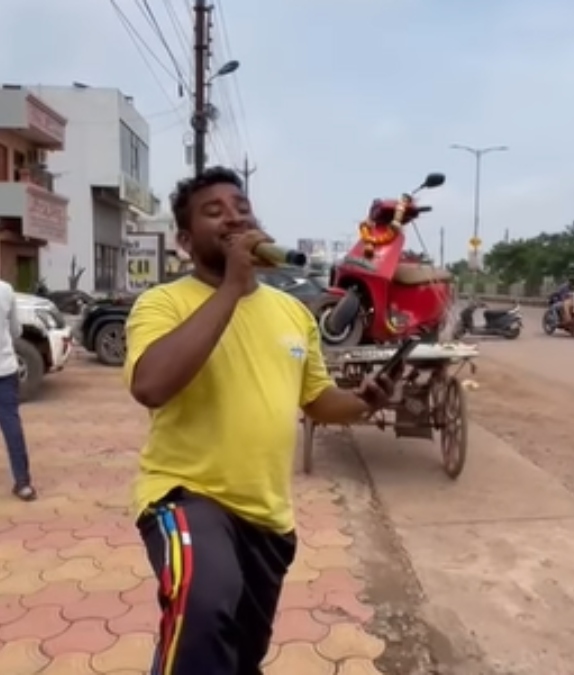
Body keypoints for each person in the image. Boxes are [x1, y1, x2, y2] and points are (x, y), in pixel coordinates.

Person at [125, 167, 394, 675]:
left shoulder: (292, 313)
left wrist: (363, 402)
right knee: (201, 609)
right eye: (214, 211)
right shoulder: (161, 303)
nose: (234, 217)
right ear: (184, 241)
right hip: (185, 495)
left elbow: (315, 399)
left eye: (241, 207)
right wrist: (232, 286)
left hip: (268, 519)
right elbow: (150, 387)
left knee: (240, 658)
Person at [0, 280, 34, 501]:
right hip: (4, 367)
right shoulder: (5, 289)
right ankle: (23, 484)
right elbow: (16, 330)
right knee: (11, 423)